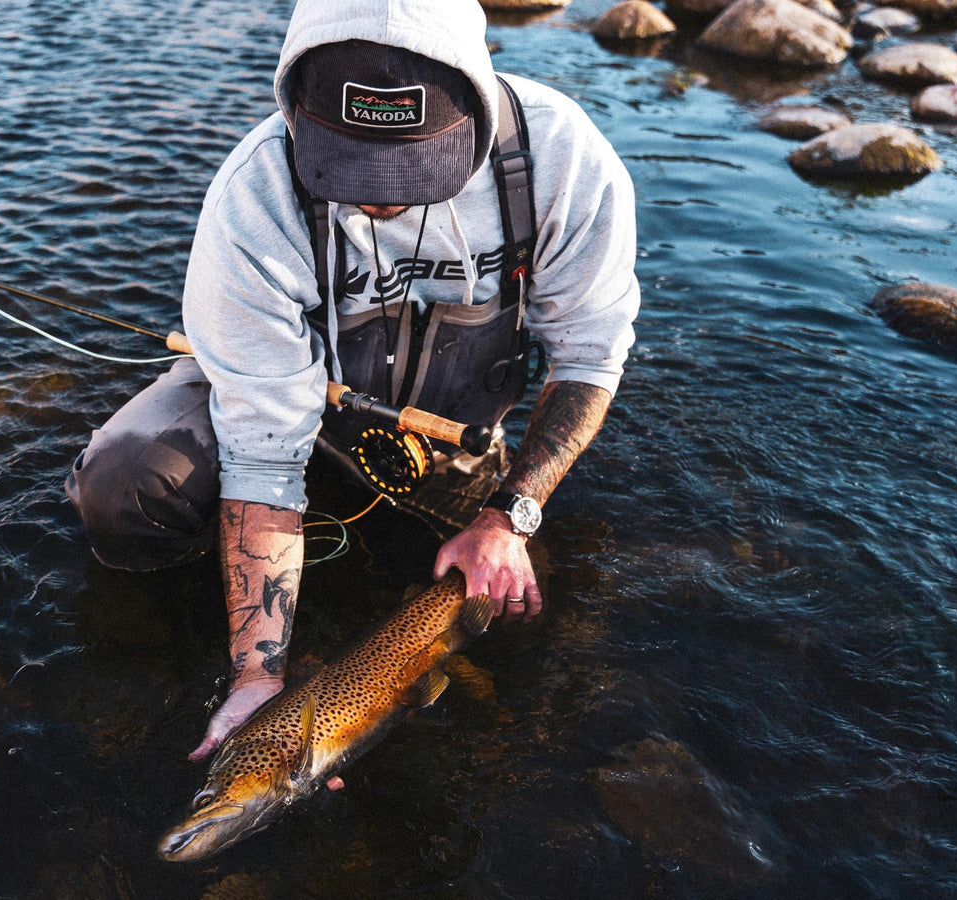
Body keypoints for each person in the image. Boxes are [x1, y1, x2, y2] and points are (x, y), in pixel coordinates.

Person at [66, 0, 639, 763]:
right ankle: (165, 627)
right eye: (346, 164)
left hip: (450, 443)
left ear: (474, 93)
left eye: (411, 167)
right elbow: (264, 454)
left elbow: (590, 359)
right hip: (286, 408)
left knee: (523, 610)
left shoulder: (560, 159)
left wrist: (511, 517)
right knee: (124, 486)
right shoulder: (254, 197)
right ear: (297, 110)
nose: (378, 197)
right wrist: (254, 677)